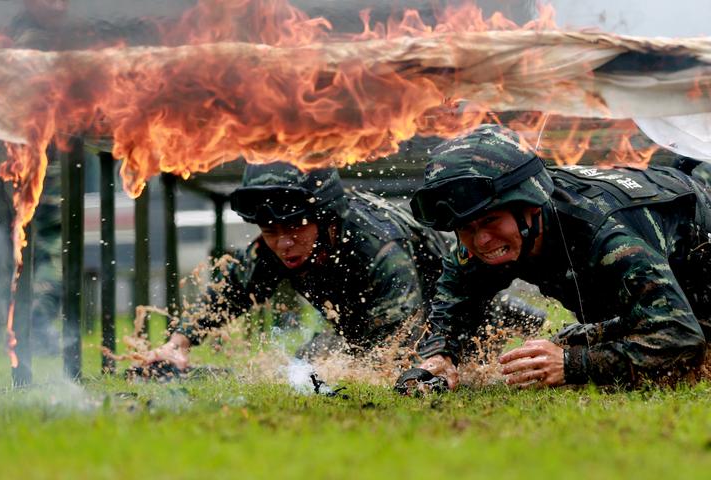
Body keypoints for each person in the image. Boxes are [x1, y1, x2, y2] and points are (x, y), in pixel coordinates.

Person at [397, 124, 711, 391]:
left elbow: (680, 338)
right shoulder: (491, 235)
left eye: (490, 221)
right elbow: (455, 298)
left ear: (529, 207)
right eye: (466, 227)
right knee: (571, 340)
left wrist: (572, 366)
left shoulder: (607, 237)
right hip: (676, 292)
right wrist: (439, 355)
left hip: (699, 287)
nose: (480, 240)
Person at [143, 162, 452, 369]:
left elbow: (397, 348)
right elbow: (231, 291)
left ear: (326, 219)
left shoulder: (382, 250)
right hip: (361, 324)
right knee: (303, 363)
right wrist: (178, 343)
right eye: (270, 231)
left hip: (445, 316)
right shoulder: (275, 246)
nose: (283, 244)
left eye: (294, 228)